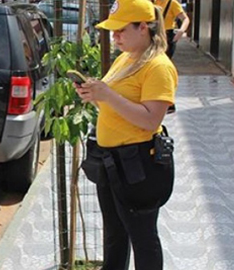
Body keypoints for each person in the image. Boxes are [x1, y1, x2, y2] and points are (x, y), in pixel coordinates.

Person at [76, 0, 176, 269]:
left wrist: (107, 94)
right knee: (114, 235)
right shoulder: (125, 58)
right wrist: (95, 96)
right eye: (112, 30)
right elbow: (115, 106)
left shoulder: (158, 66)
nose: (114, 36)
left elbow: (150, 119)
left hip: (137, 163)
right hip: (112, 160)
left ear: (143, 27)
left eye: (120, 30)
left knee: (142, 237)